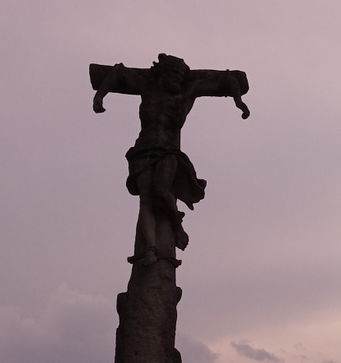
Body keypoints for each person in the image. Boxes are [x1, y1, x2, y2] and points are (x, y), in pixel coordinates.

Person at [91, 53, 250, 264]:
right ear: (161, 75)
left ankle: (177, 225)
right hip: (143, 148)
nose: (176, 79)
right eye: (172, 75)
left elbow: (228, 78)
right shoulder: (147, 88)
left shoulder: (188, 92)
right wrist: (100, 95)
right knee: (146, 200)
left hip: (168, 151)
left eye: (179, 76)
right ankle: (149, 249)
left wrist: (239, 101)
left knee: (160, 190)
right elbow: (119, 71)